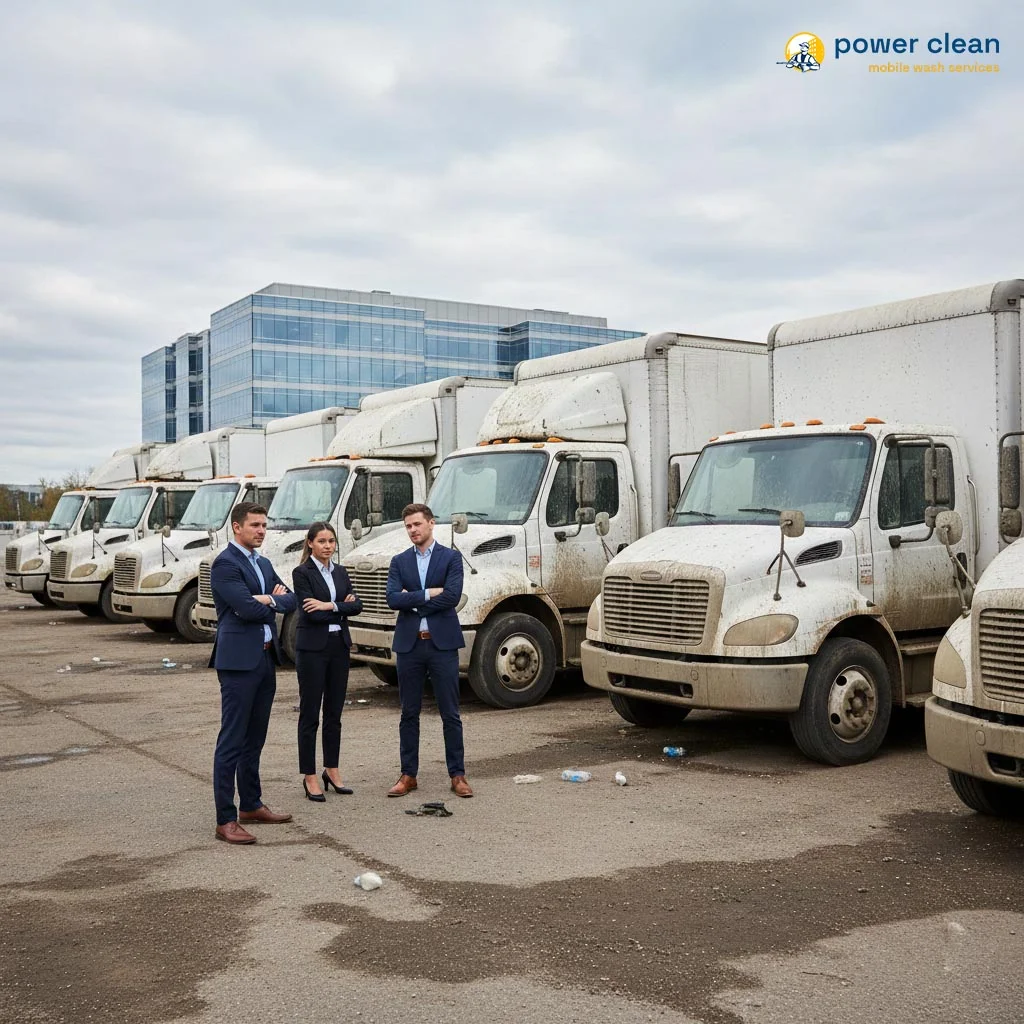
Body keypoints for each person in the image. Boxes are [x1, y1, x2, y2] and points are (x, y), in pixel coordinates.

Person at [209, 502, 297, 845]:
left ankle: (250, 804)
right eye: (255, 525)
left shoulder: (263, 563)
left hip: (264, 658)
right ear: (237, 527)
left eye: (264, 525)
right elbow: (245, 609)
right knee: (231, 740)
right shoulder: (225, 564)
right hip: (237, 663)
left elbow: (291, 600)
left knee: (255, 738)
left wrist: (265, 600)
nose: (262, 531)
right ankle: (225, 819)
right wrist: (268, 601)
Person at [385, 503, 472, 798]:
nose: (413, 530)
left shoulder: (451, 558)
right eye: (408, 526)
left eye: (417, 524)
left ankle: (457, 775)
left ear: (431, 523)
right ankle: (408, 775)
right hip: (410, 646)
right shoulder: (399, 561)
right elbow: (392, 599)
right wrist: (426, 593)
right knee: (409, 713)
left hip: (441, 644)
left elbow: (452, 597)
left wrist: (413, 600)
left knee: (450, 712)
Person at [292, 521, 362, 802]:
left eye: (331, 541)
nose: (328, 546)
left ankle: (331, 769)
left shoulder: (341, 571)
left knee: (334, 713)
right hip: (312, 649)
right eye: (322, 541)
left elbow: (357, 605)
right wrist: (340, 608)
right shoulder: (302, 573)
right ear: (310, 543)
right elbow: (311, 613)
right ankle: (309, 775)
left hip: (339, 646)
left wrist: (330, 605)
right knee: (310, 713)